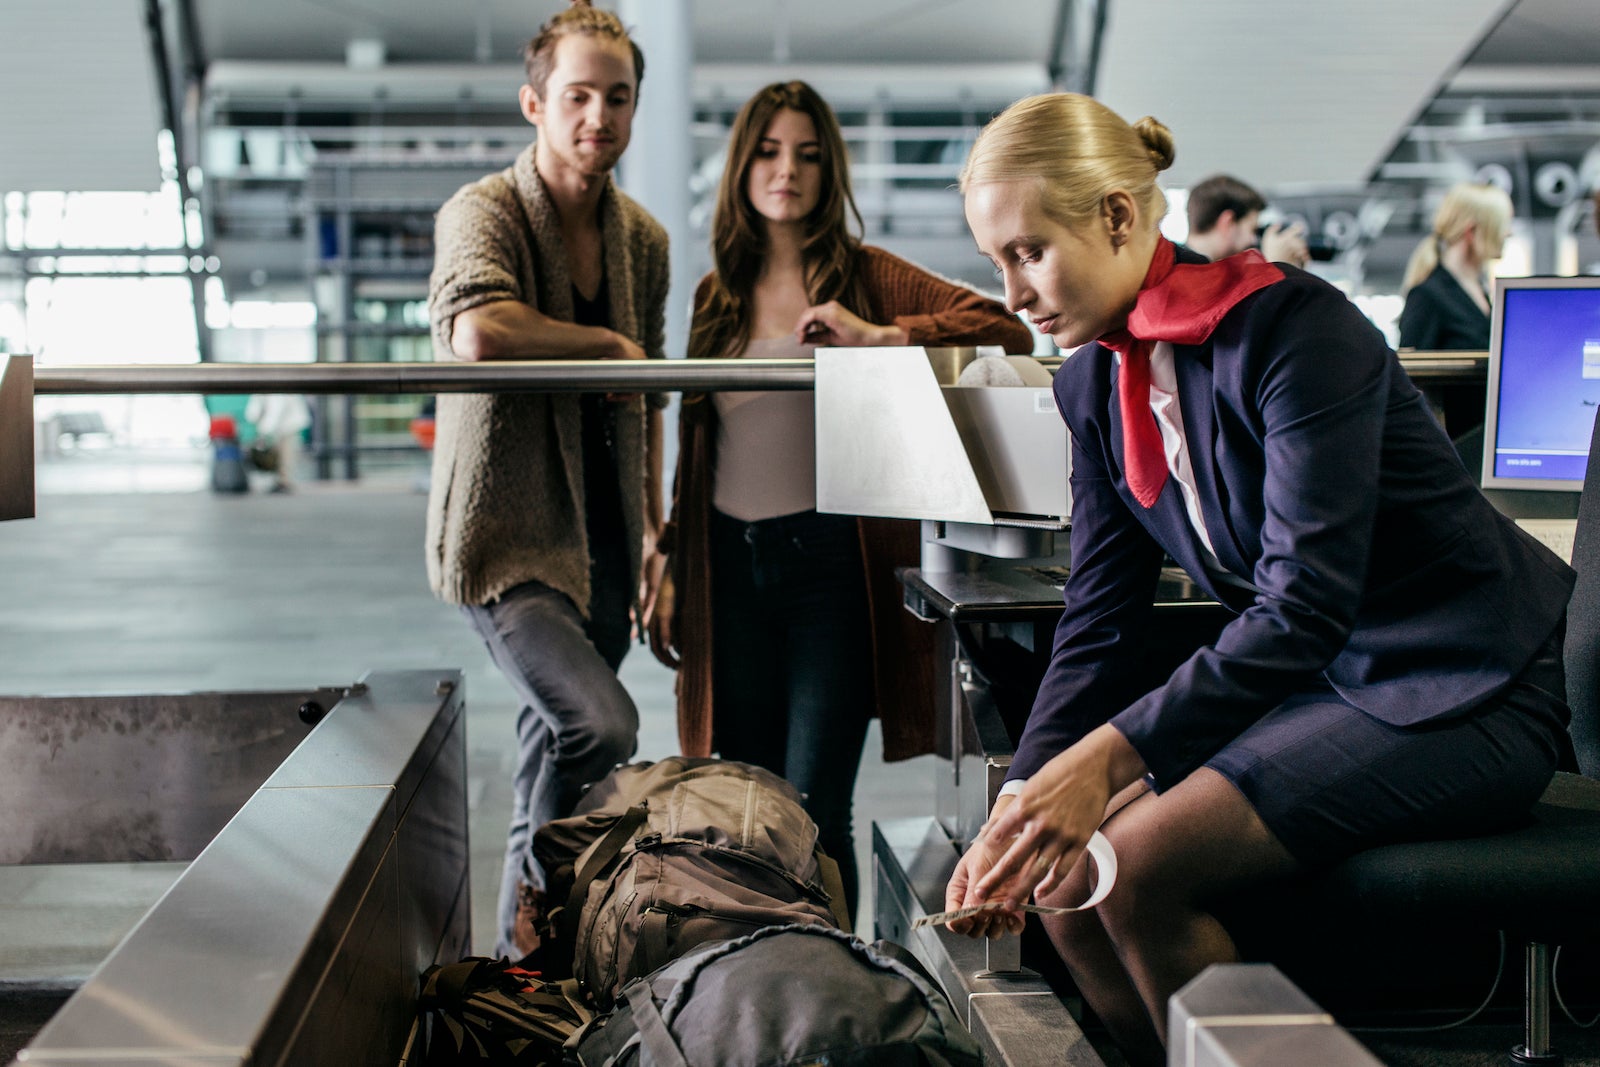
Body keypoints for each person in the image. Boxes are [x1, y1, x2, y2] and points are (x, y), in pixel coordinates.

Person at [949, 92, 1573, 1066]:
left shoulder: (1294, 332)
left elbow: (1303, 603)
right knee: (1064, 884)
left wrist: (1102, 762)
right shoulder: (1092, 385)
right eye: (996, 262)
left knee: (1136, 868)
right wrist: (1027, 788)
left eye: (1027, 251)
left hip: (1466, 684)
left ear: (1117, 213)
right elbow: (1101, 617)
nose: (1014, 292)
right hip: (1332, 684)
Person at [646, 80, 1032, 918]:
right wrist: (670, 556)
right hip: (727, 567)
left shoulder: (863, 276)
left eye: (810, 155)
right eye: (771, 151)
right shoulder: (717, 294)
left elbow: (1008, 330)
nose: (789, 171)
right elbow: (695, 448)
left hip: (829, 570)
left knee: (816, 806)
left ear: (831, 172)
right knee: (743, 808)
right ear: (743, 164)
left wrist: (881, 337)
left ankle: (830, 994)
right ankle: (756, 984)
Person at [424, 0, 668, 962]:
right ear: (535, 102)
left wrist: (654, 537)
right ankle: (540, 914)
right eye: (577, 96)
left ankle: (522, 973)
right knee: (599, 722)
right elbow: (479, 329)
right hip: (507, 536)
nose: (597, 117)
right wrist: (606, 342)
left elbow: (646, 399)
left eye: (618, 98)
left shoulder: (640, 239)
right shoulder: (481, 211)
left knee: (546, 744)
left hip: (605, 536)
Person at [1397, 182, 1513, 350]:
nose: (1509, 233)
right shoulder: (1427, 296)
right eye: (1502, 225)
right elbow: (1410, 373)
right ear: (1472, 231)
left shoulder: (1480, 290)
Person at [1183, 173, 1310, 268]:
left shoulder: (1184, 267)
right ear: (1228, 222)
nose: (1253, 241)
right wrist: (1277, 267)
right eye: (1253, 230)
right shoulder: (1188, 278)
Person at [244, 393, 310, 492]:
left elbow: (277, 408)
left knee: (287, 454)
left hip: (291, 423)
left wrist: (264, 430)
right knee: (277, 453)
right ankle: (279, 481)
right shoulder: (259, 388)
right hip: (278, 426)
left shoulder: (275, 386)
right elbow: (253, 411)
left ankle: (285, 482)